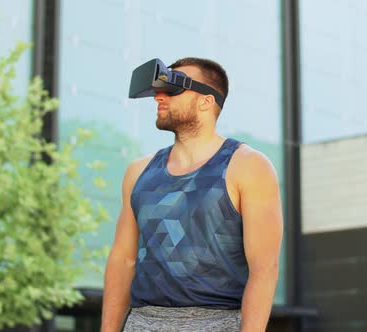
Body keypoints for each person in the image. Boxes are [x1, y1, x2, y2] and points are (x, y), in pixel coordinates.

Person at [101, 57, 283, 332]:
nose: (159, 97)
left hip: (218, 321)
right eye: (158, 89)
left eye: (172, 88)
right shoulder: (138, 172)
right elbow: (122, 260)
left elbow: (264, 267)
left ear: (206, 102)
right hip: (143, 322)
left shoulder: (248, 166)